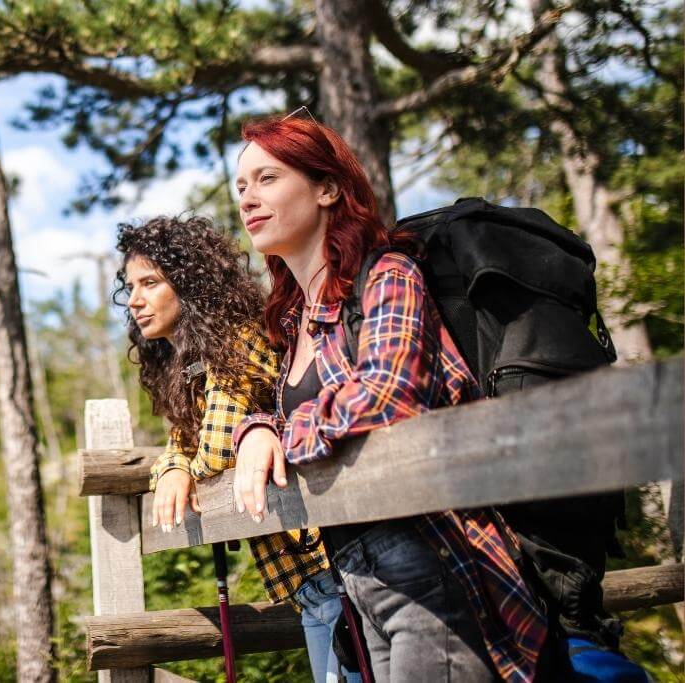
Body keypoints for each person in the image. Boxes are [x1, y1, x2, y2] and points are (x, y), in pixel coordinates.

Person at [231, 114, 549, 683]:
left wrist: (282, 435)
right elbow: (293, 415)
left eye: (267, 178)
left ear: (327, 188)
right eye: (241, 186)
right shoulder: (295, 320)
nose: (248, 198)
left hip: (430, 562)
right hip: (361, 578)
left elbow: (388, 396)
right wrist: (254, 429)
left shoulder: (386, 273)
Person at [115, 215, 361, 683]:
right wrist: (170, 467)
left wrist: (184, 465)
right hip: (310, 586)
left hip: (330, 571)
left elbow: (213, 457)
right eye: (131, 287)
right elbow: (184, 444)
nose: (136, 301)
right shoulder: (191, 367)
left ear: (189, 284)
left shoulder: (235, 343)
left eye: (150, 282)